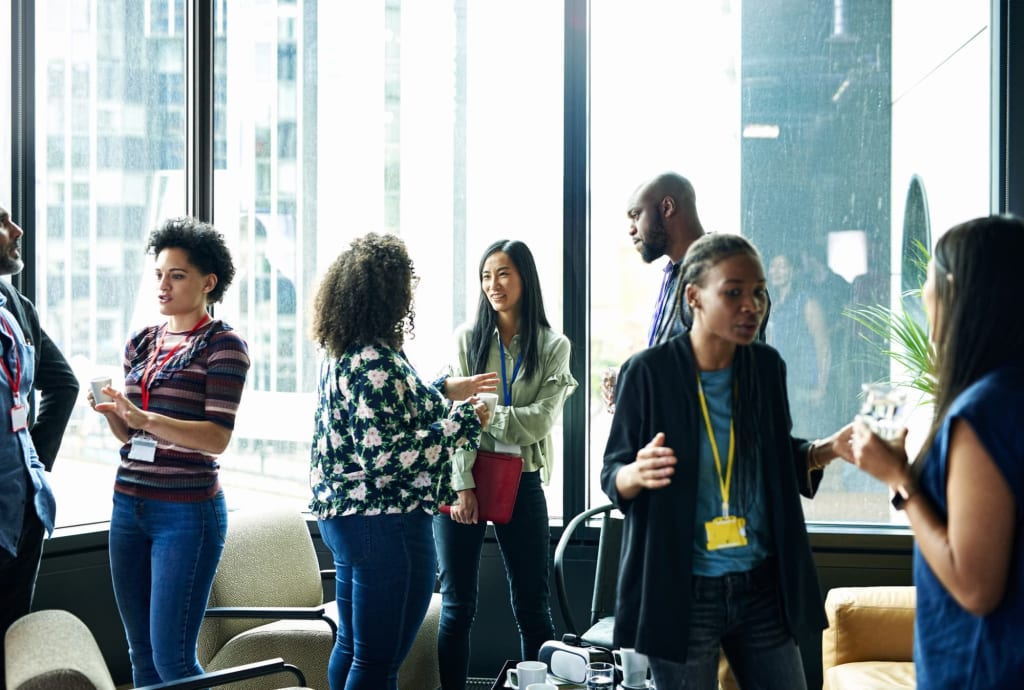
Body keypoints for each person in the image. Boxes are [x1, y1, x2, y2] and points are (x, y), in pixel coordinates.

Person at [601, 233, 851, 690]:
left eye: (757, 292)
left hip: (760, 586)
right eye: (733, 292)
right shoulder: (647, 372)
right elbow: (612, 473)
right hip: (681, 588)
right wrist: (635, 473)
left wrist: (826, 449)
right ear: (694, 296)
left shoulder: (766, 367)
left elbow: (775, 458)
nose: (750, 305)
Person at [843, 215, 1024, 689]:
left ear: (952, 289)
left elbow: (975, 587)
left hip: (980, 670)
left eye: (926, 278)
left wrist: (898, 479)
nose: (920, 294)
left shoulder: (983, 412)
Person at [308, 233, 488, 690]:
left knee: (353, 647)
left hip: (348, 519)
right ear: (389, 293)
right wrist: (464, 421)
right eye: (406, 284)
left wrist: (447, 390)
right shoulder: (375, 362)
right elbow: (386, 455)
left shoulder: (347, 354)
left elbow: (389, 413)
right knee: (377, 663)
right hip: (383, 524)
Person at [88, 217, 249, 686]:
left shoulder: (224, 345)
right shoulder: (141, 341)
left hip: (186, 512)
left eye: (176, 275)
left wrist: (145, 419)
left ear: (207, 282)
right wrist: (116, 415)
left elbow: (216, 437)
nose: (163, 285)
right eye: (159, 273)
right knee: (140, 657)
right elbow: (132, 439)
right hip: (129, 505)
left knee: (173, 660)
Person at [434, 239, 578, 690]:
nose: (492, 285)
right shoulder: (465, 338)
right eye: (485, 276)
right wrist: (460, 485)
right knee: (457, 607)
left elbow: (540, 422)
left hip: (523, 480)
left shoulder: (553, 346)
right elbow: (453, 418)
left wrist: (492, 414)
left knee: (533, 608)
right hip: (465, 477)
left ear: (524, 278)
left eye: (503, 274)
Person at [0, 205, 78, 681]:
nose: (17, 231)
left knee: (14, 644)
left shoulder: (15, 305)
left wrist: (35, 462)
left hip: (23, 507)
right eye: (2, 221)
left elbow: (63, 384)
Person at [601, 173, 706, 413]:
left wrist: (635, 381)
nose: (631, 229)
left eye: (636, 215)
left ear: (667, 207)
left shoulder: (715, 273)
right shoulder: (675, 272)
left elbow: (712, 375)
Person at [767, 252, 831, 437]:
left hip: (804, 380)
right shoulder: (771, 305)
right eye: (773, 266)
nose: (776, 271)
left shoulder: (807, 303)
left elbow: (823, 345)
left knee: (804, 435)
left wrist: (821, 387)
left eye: (782, 266)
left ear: (793, 271)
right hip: (782, 380)